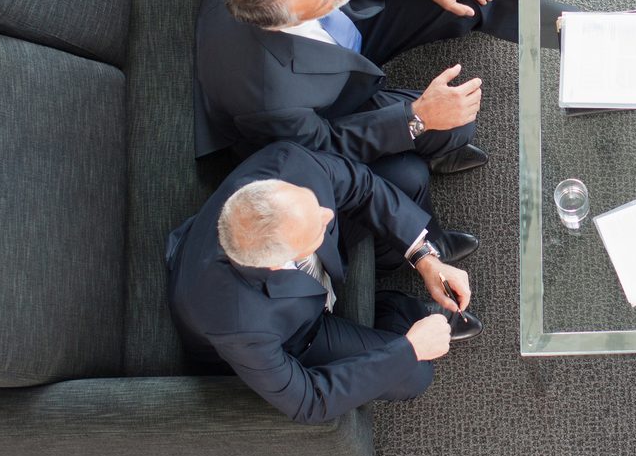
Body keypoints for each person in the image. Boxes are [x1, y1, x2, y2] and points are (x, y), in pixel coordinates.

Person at [193, 0, 571, 197]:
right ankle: (436, 153)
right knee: (446, 134)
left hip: (345, 34)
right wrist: (418, 116)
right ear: (283, 23)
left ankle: (579, 33)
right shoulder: (268, 98)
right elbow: (325, 141)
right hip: (323, 102)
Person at [166, 140, 479, 426]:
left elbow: (361, 186)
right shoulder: (240, 326)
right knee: (414, 373)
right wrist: (411, 349)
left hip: (283, 257)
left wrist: (425, 257)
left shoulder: (290, 166)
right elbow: (309, 401)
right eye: (317, 227)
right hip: (297, 333)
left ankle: (419, 257)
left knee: (408, 175)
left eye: (315, 207)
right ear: (278, 262)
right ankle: (398, 310)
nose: (329, 213)